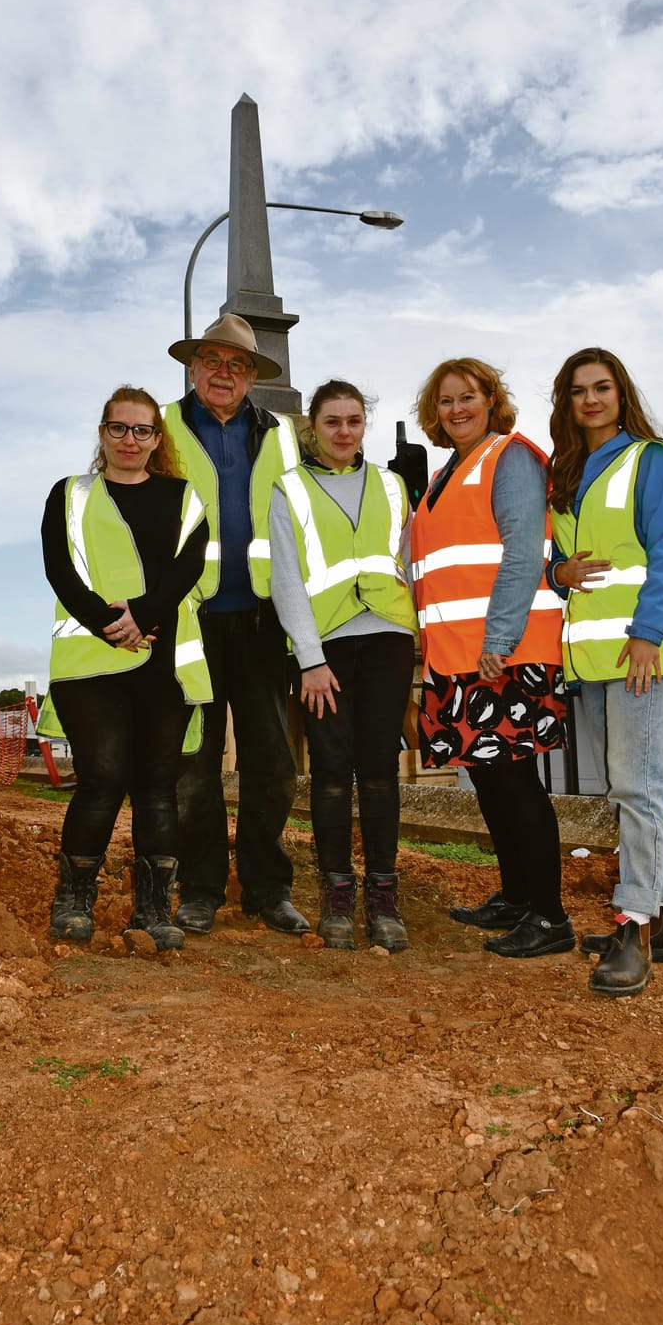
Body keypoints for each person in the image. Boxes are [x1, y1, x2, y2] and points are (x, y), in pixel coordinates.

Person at [548, 349, 663, 997]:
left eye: (602, 387)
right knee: (634, 791)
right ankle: (662, 921)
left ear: (620, 393)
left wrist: (646, 636)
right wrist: (560, 574)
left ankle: (632, 927)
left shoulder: (649, 459)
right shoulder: (566, 475)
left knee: (637, 791)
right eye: (578, 390)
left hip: (643, 654)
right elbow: (559, 563)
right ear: (567, 401)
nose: (591, 399)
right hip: (592, 663)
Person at [410, 358, 573, 958]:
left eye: (468, 397)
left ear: (491, 401)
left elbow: (525, 554)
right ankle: (517, 896)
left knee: (515, 783)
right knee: (488, 782)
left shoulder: (511, 458)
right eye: (446, 400)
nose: (457, 409)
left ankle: (551, 916)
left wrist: (499, 642)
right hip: (456, 659)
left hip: (503, 655)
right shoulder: (443, 474)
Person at [39, 386, 210, 951]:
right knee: (103, 780)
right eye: (119, 428)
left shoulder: (183, 498)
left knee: (157, 788)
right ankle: (73, 898)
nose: (129, 440)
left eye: (141, 430)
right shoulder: (69, 495)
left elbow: (186, 570)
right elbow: (60, 568)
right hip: (91, 661)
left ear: (157, 438)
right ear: (102, 433)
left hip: (163, 662)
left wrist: (142, 618)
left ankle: (154, 907)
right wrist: (107, 624)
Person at [163, 313, 310, 935]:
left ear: (253, 376)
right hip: (188, 620)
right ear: (194, 367)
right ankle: (199, 887)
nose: (224, 372)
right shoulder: (160, 427)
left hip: (260, 622)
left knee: (272, 762)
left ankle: (267, 887)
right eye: (213, 361)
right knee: (192, 765)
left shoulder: (279, 436)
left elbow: (298, 526)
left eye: (238, 364)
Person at [269, 380, 416, 950]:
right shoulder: (291, 489)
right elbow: (285, 578)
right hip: (323, 648)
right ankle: (335, 891)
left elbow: (406, 560)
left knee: (379, 767)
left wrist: (413, 634)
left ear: (364, 424)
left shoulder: (391, 484)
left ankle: (383, 894)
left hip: (387, 639)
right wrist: (309, 658)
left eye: (354, 420)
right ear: (313, 427)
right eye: (333, 422)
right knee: (331, 769)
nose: (344, 431)